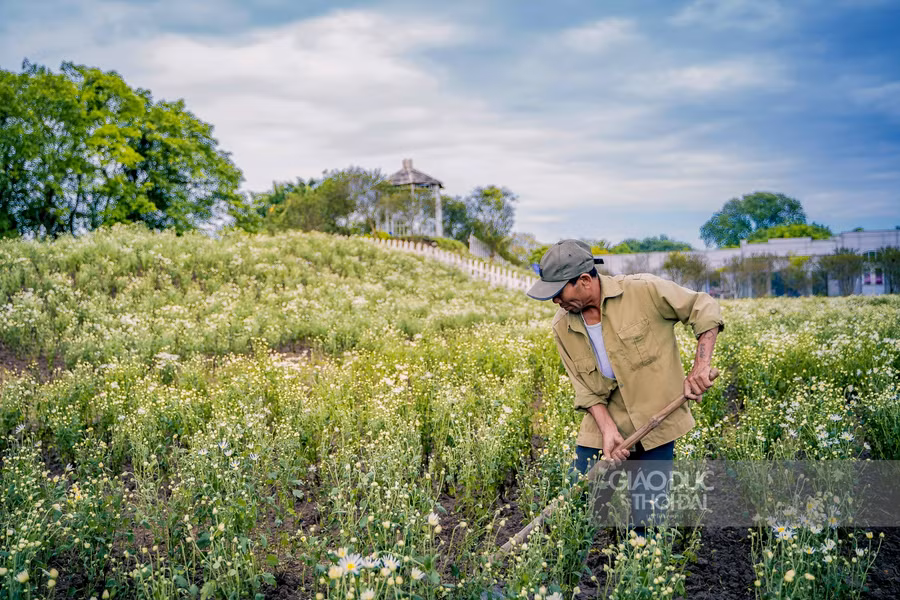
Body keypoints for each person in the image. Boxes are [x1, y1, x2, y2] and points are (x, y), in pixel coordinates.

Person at [526, 239, 724, 529]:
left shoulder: (643, 291)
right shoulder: (563, 326)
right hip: (603, 425)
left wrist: (701, 366)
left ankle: (642, 565)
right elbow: (585, 388)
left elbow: (703, 307)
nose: (556, 301)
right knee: (579, 512)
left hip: (657, 421)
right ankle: (569, 572)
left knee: (647, 517)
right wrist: (608, 431)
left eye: (558, 292)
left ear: (584, 280)